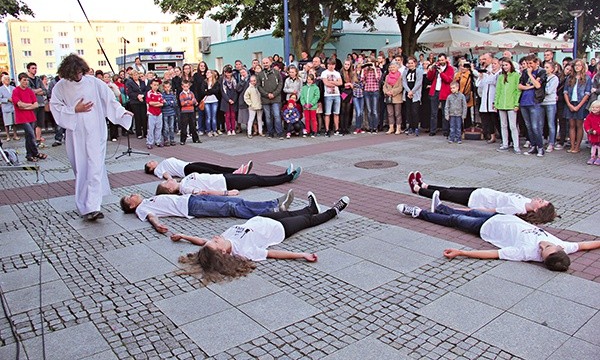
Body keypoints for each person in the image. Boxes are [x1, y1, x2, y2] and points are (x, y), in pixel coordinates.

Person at [173, 193, 350, 284]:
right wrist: (301, 255)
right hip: (279, 230)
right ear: (223, 252)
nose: (214, 237)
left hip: (262, 219)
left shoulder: (222, 241)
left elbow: (201, 241)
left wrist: (183, 236)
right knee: (307, 221)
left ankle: (311, 207)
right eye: (216, 241)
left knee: (290, 212)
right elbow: (272, 253)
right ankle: (333, 211)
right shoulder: (244, 251)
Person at [397, 200, 600, 272]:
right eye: (546, 248)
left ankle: (419, 213)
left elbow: (493, 253)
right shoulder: (565, 246)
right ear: (558, 248)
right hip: (500, 218)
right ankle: (441, 207)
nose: (541, 249)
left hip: (487, 228)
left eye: (542, 253)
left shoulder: (526, 253)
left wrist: (462, 252)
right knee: (466, 212)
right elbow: (585, 245)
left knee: (456, 221)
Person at [50, 54, 133, 221]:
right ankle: (83, 205)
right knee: (81, 169)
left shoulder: (94, 82)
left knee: (94, 167)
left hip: (95, 131)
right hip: (76, 133)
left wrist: (121, 112)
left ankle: (93, 207)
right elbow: (55, 106)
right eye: (74, 74)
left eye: (80, 73)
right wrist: (74, 109)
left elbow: (109, 99)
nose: (78, 77)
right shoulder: (60, 86)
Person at [407, 171, 557, 224]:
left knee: (447, 194)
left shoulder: (516, 209)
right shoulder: (526, 201)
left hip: (476, 199)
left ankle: (417, 189)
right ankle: (425, 185)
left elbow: (490, 210)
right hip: (482, 191)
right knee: (450, 189)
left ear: (538, 210)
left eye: (541, 202)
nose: (539, 198)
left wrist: (463, 210)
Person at [119, 189, 296, 227]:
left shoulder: (147, 199)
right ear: (132, 205)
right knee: (229, 208)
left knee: (238, 201)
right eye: (130, 197)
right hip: (190, 207)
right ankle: (271, 212)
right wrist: (158, 226)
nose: (133, 194)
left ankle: (273, 203)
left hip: (192, 198)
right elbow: (152, 217)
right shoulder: (141, 209)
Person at [155, 165, 302, 195]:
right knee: (256, 179)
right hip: (225, 184)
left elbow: (167, 175)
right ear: (169, 189)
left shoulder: (182, 182)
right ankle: (288, 177)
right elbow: (204, 193)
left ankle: (283, 175)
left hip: (222, 178)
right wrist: (227, 193)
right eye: (167, 183)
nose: (169, 180)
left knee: (254, 177)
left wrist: (165, 176)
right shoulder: (184, 189)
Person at [12, 73, 46, 162]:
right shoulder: (16, 91)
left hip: (31, 116)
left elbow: (35, 104)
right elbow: (19, 104)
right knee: (31, 134)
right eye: (24, 80)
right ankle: (35, 152)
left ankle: (29, 154)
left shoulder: (29, 91)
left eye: (27, 80)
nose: (26, 82)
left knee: (29, 136)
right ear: (20, 80)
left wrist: (27, 106)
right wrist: (29, 105)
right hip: (22, 117)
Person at [518, 55, 546, 157]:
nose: (529, 66)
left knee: (535, 126)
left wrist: (530, 75)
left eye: (531, 63)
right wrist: (530, 86)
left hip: (535, 102)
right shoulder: (524, 72)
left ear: (536, 63)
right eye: (527, 63)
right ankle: (533, 145)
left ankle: (540, 147)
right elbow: (520, 86)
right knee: (528, 126)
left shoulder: (541, 72)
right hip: (524, 101)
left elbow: (538, 85)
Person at [563, 58, 592, 154]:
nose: (577, 67)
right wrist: (569, 104)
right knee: (571, 125)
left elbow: (587, 93)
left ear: (583, 66)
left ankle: (577, 146)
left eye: (579, 65)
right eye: (576, 65)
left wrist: (579, 106)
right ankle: (572, 146)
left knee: (579, 125)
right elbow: (565, 92)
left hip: (580, 103)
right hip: (571, 102)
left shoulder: (587, 78)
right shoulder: (570, 78)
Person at [495, 57, 522, 154]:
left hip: (511, 104)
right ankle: (505, 143)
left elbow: (517, 91)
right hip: (502, 104)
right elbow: (498, 91)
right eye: (503, 65)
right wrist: (496, 103)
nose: (505, 67)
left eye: (506, 65)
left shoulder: (516, 75)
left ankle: (516, 145)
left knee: (513, 126)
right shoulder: (501, 77)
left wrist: (516, 104)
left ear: (511, 65)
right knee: (503, 125)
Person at [144, 157, 253, 179]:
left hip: (189, 163)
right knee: (212, 172)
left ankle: (236, 170)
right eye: (150, 163)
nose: (152, 161)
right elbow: (166, 175)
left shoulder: (160, 165)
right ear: (151, 169)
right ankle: (235, 175)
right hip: (186, 170)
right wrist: (172, 182)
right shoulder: (158, 170)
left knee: (215, 167)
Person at [426, 54, 455, 136]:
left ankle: (445, 130)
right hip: (435, 91)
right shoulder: (436, 67)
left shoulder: (450, 69)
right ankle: (433, 130)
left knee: (444, 112)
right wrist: (431, 70)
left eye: (442, 60)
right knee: (433, 112)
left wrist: (441, 73)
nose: (441, 62)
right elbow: (429, 78)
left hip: (444, 92)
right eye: (439, 60)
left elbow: (448, 80)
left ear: (446, 60)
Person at [257, 58, 284, 139]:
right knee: (268, 117)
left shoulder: (276, 72)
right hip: (265, 99)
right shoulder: (260, 74)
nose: (265, 64)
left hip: (276, 98)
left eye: (267, 62)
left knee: (276, 115)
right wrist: (266, 94)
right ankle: (270, 132)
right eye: (264, 63)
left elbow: (280, 84)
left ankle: (279, 133)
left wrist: (274, 94)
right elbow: (259, 86)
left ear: (270, 62)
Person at [478, 57, 500, 144]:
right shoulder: (488, 73)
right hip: (485, 98)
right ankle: (492, 135)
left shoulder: (499, 73)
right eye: (493, 64)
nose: (493, 66)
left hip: (494, 99)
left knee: (496, 120)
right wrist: (481, 76)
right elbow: (480, 84)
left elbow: (494, 82)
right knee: (488, 119)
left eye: (495, 64)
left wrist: (490, 74)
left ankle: (503, 136)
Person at [321, 59, 343, 137]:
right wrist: (335, 83)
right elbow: (326, 83)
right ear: (327, 65)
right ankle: (327, 130)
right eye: (330, 64)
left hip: (336, 94)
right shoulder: (324, 73)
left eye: (333, 65)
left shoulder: (337, 73)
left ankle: (337, 129)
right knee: (327, 113)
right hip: (328, 95)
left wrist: (332, 83)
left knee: (336, 113)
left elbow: (340, 83)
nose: (331, 66)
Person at [402, 56, 423, 136]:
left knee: (415, 111)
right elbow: (404, 81)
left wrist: (412, 92)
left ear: (415, 63)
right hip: (407, 93)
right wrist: (408, 91)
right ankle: (410, 127)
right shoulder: (405, 71)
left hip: (415, 94)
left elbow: (419, 82)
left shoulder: (418, 71)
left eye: (412, 63)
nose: (410, 65)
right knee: (408, 111)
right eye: (409, 63)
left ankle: (416, 127)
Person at [541, 61, 559, 152]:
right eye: (544, 67)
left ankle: (551, 142)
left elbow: (548, 91)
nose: (545, 69)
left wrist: (540, 87)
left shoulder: (554, 78)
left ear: (552, 69)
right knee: (541, 123)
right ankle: (541, 140)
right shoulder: (543, 77)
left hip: (550, 103)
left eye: (547, 67)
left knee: (551, 123)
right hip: (542, 102)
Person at [382, 61, 403, 135]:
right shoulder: (387, 76)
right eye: (391, 67)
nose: (392, 69)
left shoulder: (400, 76)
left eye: (393, 67)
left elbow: (400, 87)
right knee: (390, 113)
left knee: (397, 113)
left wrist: (392, 92)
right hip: (388, 97)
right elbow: (384, 86)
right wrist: (386, 92)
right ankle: (391, 128)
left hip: (397, 97)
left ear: (397, 68)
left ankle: (398, 128)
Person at [178, 79, 199, 144]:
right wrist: (190, 101)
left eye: (187, 86)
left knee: (193, 125)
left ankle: (195, 139)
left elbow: (195, 102)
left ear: (189, 86)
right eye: (184, 86)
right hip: (184, 111)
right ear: (182, 86)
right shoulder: (181, 94)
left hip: (191, 111)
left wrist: (187, 101)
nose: (186, 88)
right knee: (184, 126)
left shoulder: (191, 93)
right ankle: (182, 140)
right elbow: (182, 103)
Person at [145, 78, 164, 149]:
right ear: (151, 85)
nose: (156, 86)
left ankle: (158, 141)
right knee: (151, 128)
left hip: (159, 113)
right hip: (151, 113)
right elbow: (150, 103)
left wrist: (156, 104)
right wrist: (157, 103)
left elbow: (162, 104)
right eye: (154, 85)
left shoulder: (159, 94)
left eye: (157, 85)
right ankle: (149, 142)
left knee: (159, 128)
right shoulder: (149, 93)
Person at [0, 74, 19, 141]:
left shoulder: (13, 88)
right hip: (6, 107)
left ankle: (15, 135)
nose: (7, 80)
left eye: (8, 79)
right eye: (6, 79)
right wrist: (7, 99)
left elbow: (17, 95)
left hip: (13, 107)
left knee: (14, 122)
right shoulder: (1, 89)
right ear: (3, 81)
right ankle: (8, 136)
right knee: (7, 123)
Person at [583, 99, 600, 165]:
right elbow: (586, 124)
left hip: (598, 135)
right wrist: (588, 130)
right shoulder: (589, 116)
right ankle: (592, 157)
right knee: (593, 147)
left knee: (599, 147)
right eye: (593, 107)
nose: (594, 109)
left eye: (597, 107)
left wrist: (597, 131)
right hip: (592, 135)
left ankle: (599, 158)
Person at [161, 80, 177, 146]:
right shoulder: (162, 95)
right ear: (164, 88)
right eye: (165, 87)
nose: (167, 88)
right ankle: (166, 139)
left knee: (171, 127)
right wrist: (170, 102)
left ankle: (172, 139)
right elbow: (163, 104)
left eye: (168, 87)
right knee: (166, 127)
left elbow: (175, 103)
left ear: (170, 87)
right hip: (165, 113)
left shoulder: (172, 95)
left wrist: (168, 103)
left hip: (172, 113)